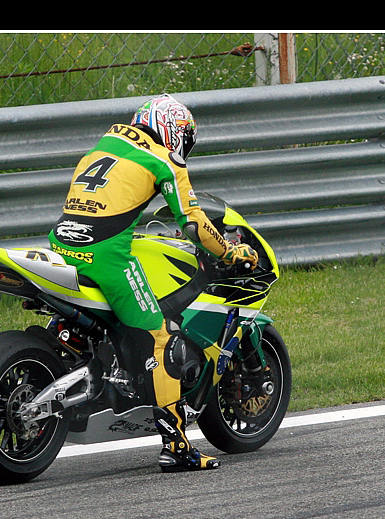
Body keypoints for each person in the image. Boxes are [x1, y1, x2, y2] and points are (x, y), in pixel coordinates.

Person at [48, 94, 257, 472]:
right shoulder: (163, 160)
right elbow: (193, 223)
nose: (184, 148)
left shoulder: (105, 144)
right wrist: (229, 252)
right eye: (185, 139)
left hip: (62, 245)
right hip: (106, 257)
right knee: (161, 337)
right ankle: (176, 447)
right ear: (172, 131)